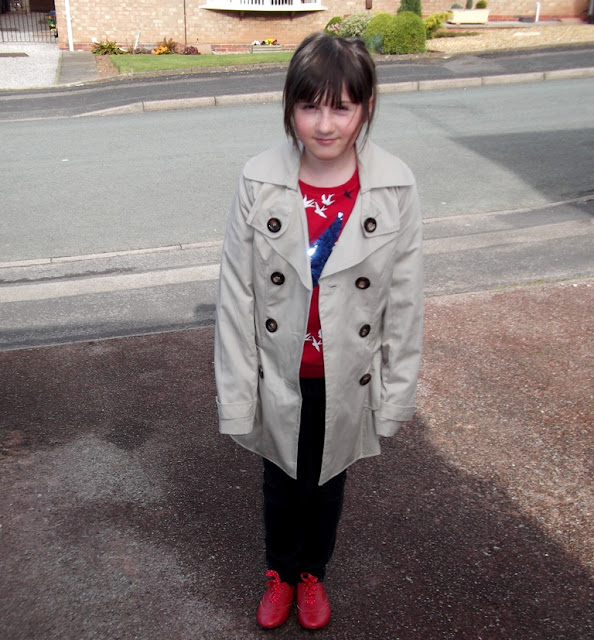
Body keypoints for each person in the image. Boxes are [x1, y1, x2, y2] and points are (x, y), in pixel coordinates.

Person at [214, 32, 423, 630]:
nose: (325, 125)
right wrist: (236, 393)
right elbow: (236, 296)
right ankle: (280, 572)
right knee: (281, 479)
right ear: (290, 107)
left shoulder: (394, 185)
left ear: (366, 107)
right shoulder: (259, 179)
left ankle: (313, 573)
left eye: (342, 107)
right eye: (310, 107)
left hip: (345, 374)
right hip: (278, 370)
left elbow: (405, 299)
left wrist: (396, 393)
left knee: (329, 480)